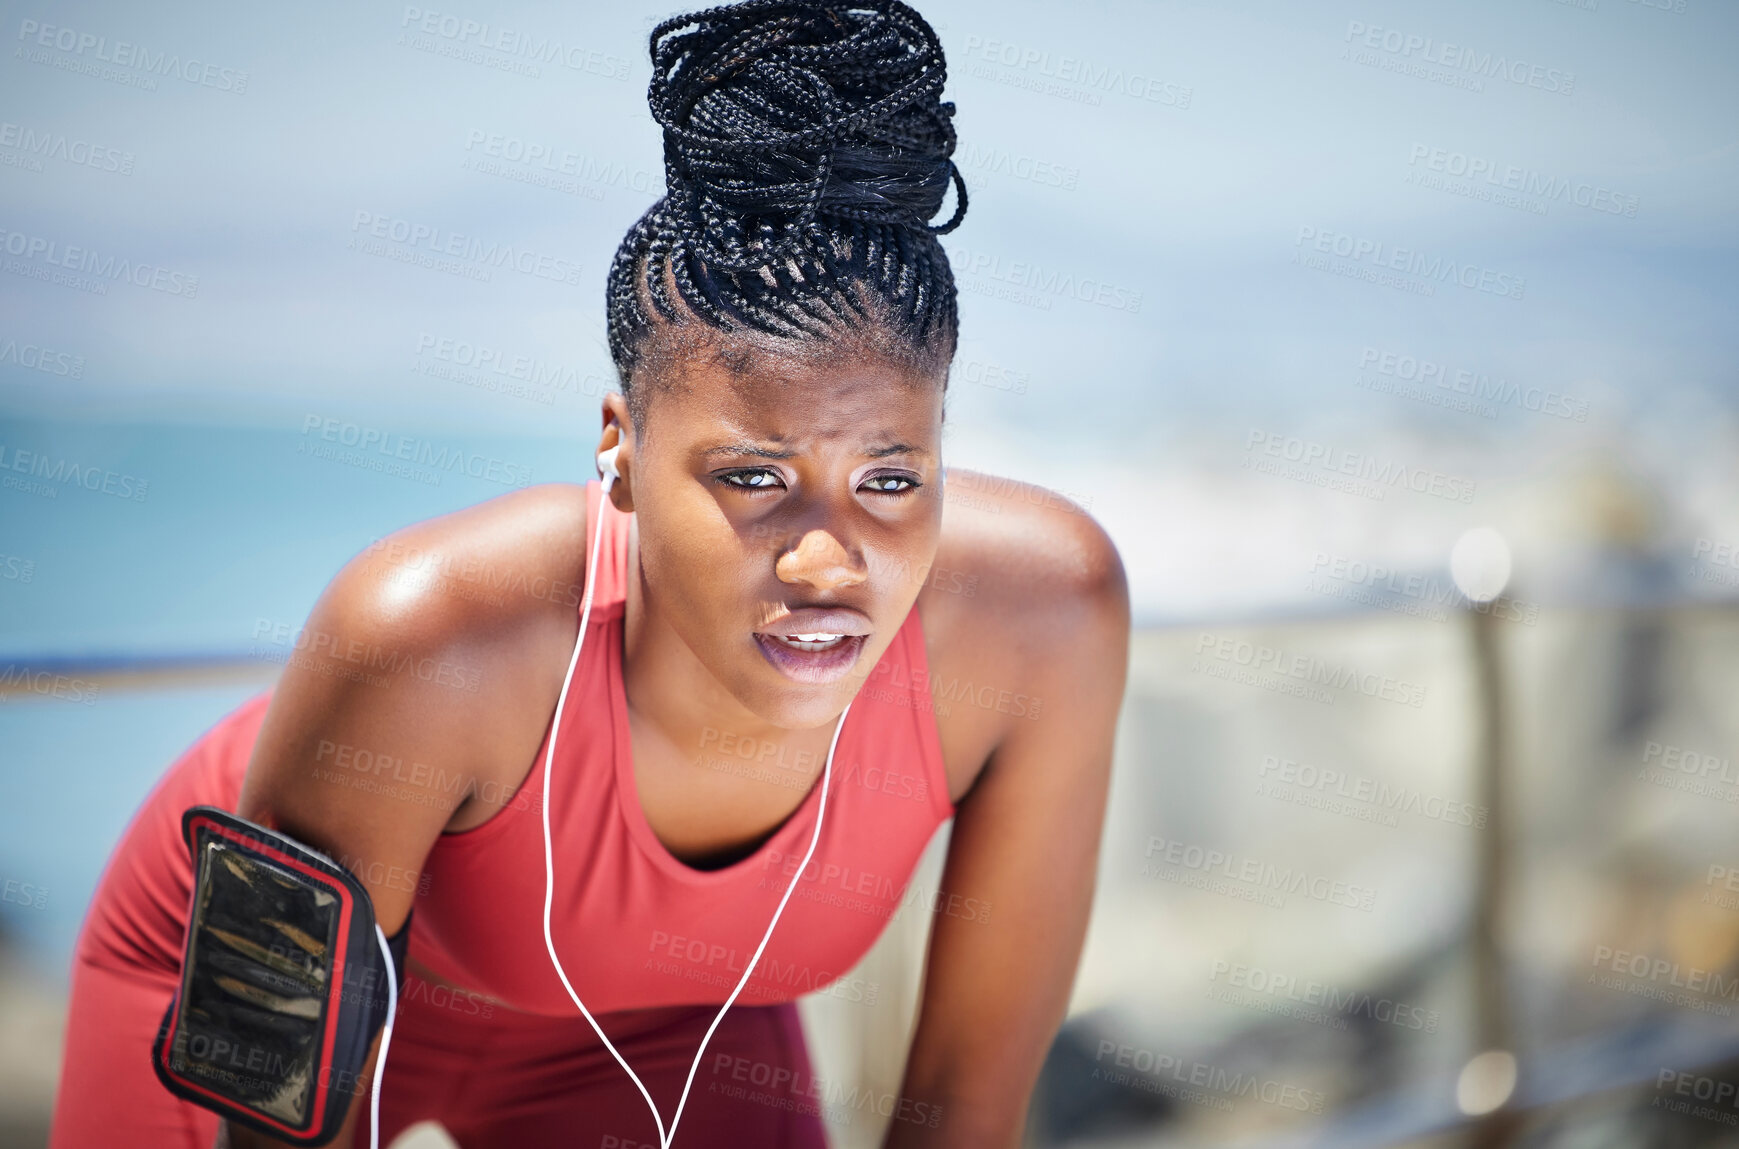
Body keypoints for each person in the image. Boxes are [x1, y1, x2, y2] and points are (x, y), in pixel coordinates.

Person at [49, 1, 1130, 1145]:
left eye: (890, 480)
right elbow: (274, 1115)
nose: (827, 563)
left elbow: (960, 1110)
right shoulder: (432, 637)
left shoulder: (1041, 621)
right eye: (754, 478)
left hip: (656, 1024)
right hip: (268, 1019)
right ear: (620, 447)